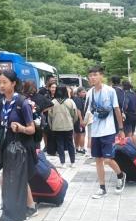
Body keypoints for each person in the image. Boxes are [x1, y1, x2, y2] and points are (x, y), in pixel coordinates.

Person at [0, 70, 38, 221]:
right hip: (7, 147)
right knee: (9, 180)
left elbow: (32, 129)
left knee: (10, 182)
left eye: (4, 82)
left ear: (13, 83)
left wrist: (20, 127)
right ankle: (31, 206)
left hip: (21, 148)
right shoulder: (2, 102)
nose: (1, 85)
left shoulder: (22, 103)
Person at [85, 66, 126, 199]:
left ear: (101, 76)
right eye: (90, 75)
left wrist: (121, 129)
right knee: (98, 160)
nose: (92, 78)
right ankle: (102, 187)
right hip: (95, 130)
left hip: (108, 130)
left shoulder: (110, 91)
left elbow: (116, 109)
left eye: (95, 75)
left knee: (108, 160)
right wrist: (84, 124)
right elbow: (88, 111)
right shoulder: (89, 93)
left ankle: (120, 175)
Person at [48, 85, 78, 168]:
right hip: (68, 126)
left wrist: (51, 126)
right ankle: (73, 162)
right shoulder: (70, 101)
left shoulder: (52, 102)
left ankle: (63, 163)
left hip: (56, 127)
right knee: (70, 143)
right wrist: (72, 122)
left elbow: (50, 116)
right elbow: (75, 114)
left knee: (59, 144)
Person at [72, 87, 87, 154]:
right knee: (82, 134)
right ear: (79, 93)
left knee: (77, 133)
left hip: (77, 120)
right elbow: (78, 110)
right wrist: (81, 120)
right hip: (79, 120)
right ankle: (81, 148)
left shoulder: (78, 99)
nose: (85, 93)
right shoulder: (78, 99)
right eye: (83, 92)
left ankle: (77, 148)